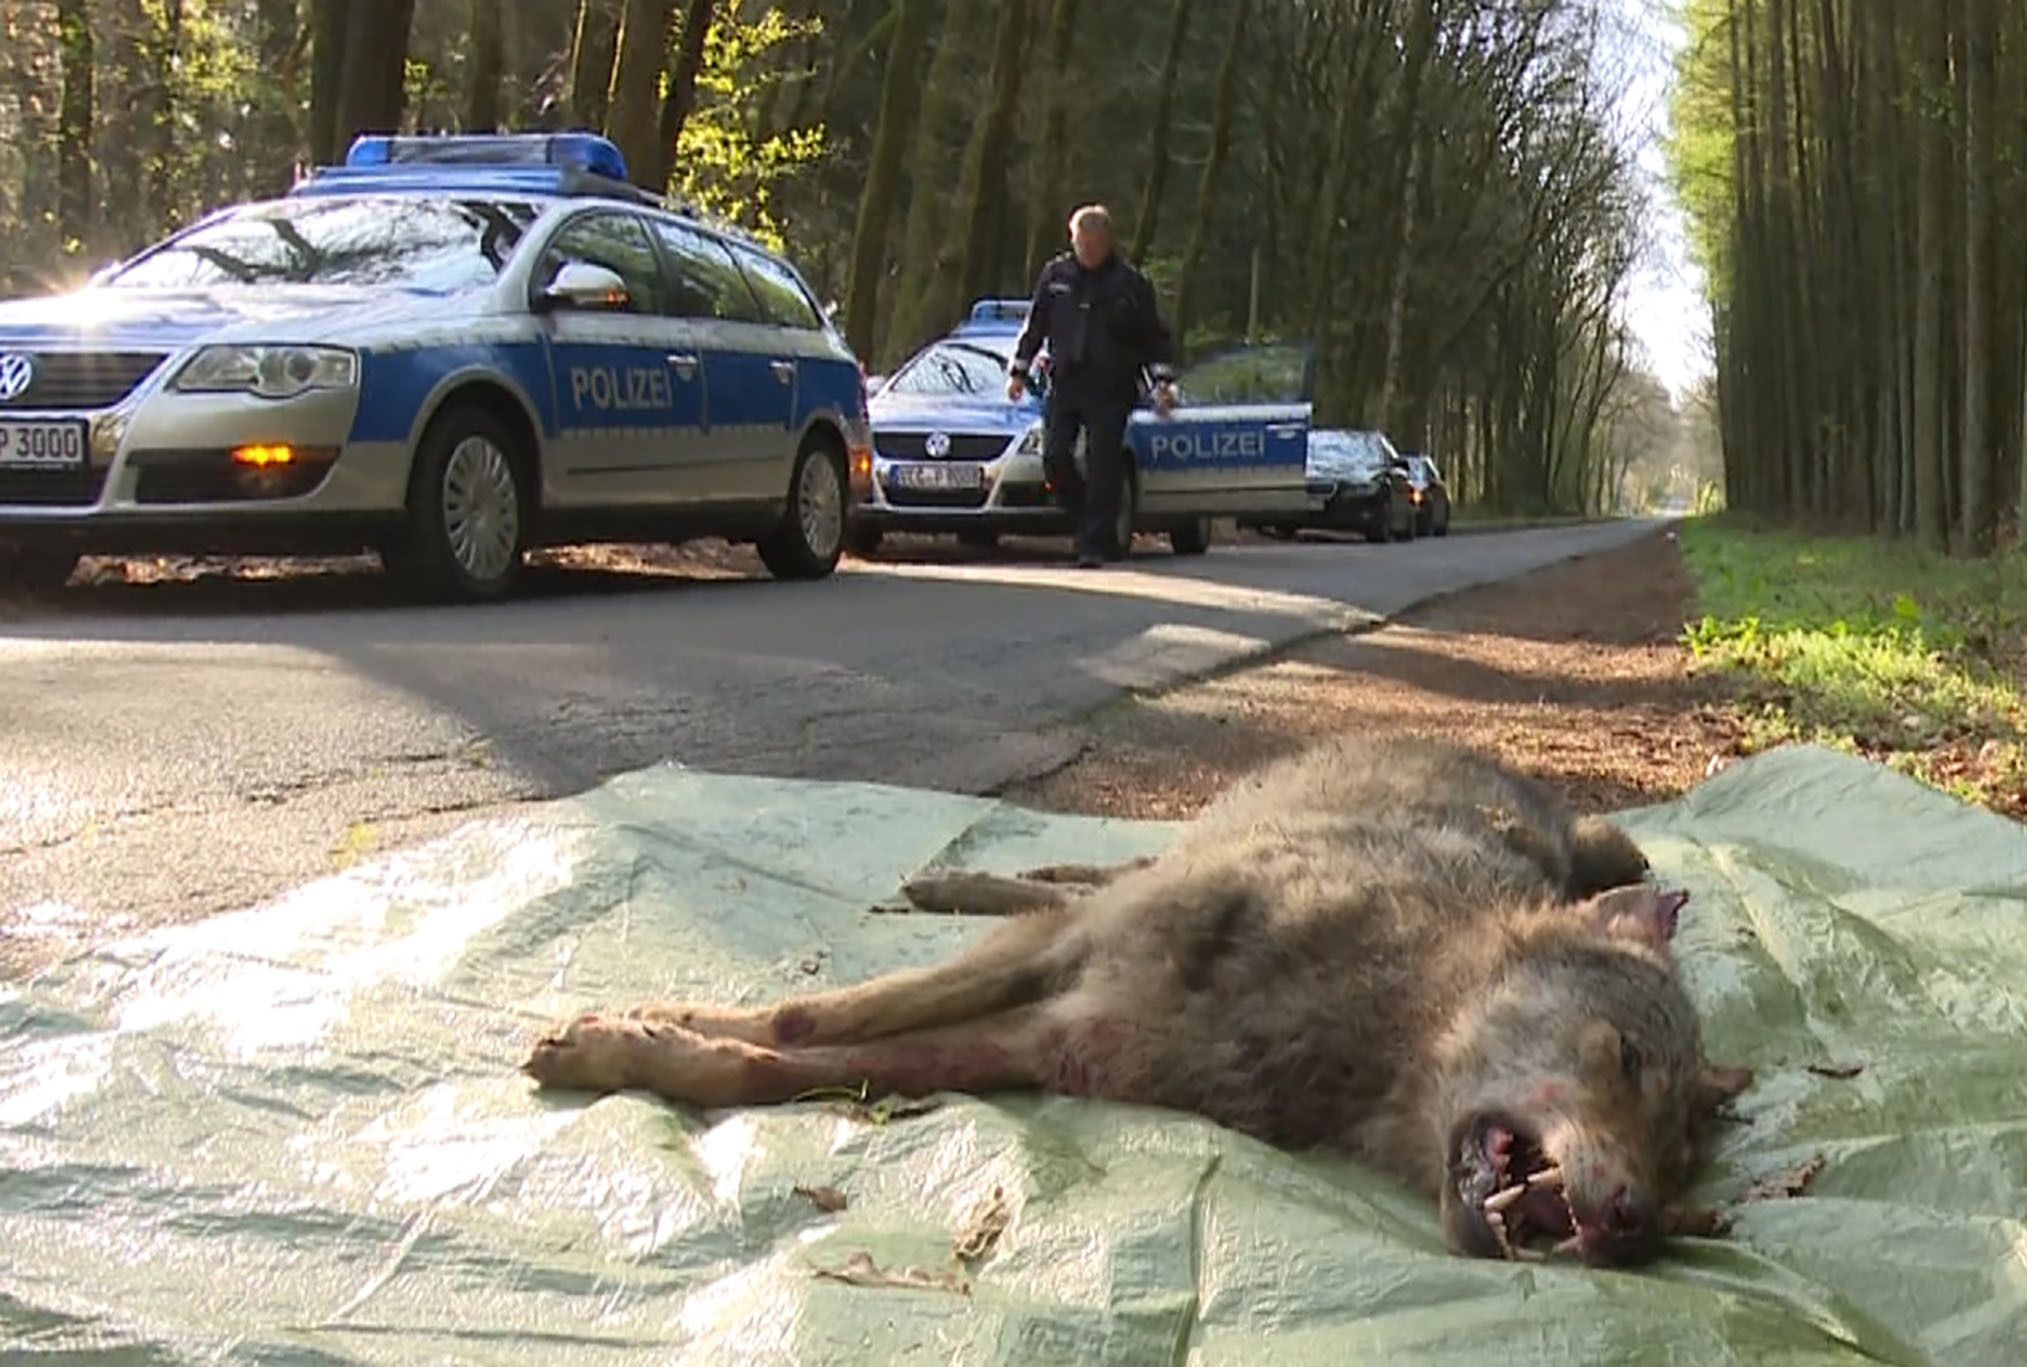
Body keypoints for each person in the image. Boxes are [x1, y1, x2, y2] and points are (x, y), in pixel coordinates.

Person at [1008, 205, 1179, 568]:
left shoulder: (1130, 284)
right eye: (1080, 244)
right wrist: (1018, 372)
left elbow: (1154, 338)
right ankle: (1088, 519)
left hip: (1111, 387)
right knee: (1055, 458)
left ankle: (1093, 544)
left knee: (1103, 466)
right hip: (1066, 381)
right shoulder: (1056, 277)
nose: (1086, 251)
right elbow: (1035, 326)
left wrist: (1162, 383)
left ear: (1106, 242)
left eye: (1093, 245)